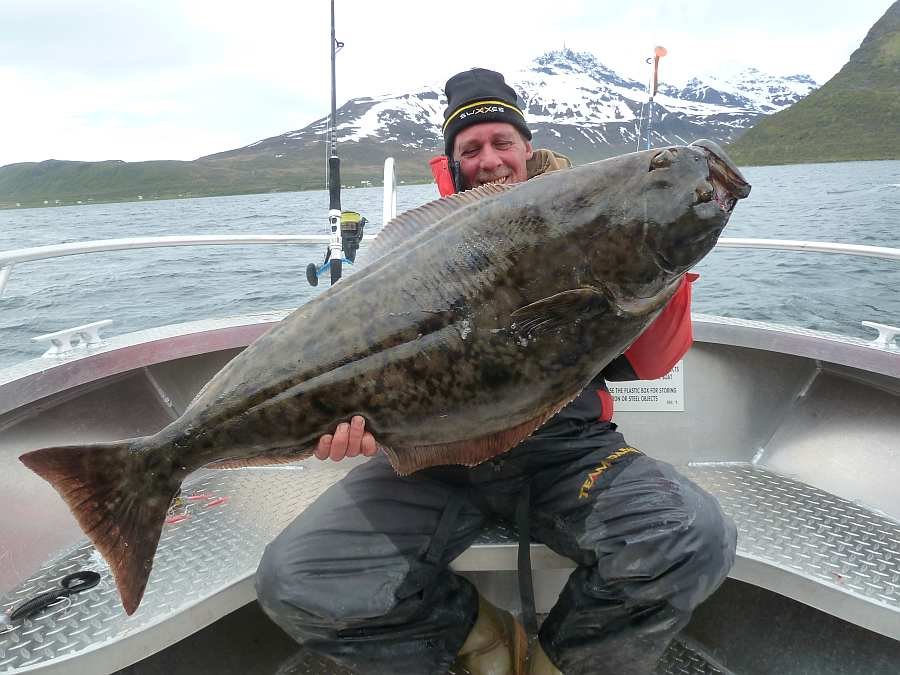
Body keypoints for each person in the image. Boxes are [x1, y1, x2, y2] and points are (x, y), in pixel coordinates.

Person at [256, 68, 737, 675]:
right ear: (453, 163)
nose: (489, 159)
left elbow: (653, 362)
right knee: (293, 579)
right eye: (471, 148)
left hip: (566, 453)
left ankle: (559, 666)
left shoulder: (585, 219)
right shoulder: (419, 252)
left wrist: (667, 273)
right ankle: (484, 641)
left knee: (693, 536)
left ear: (526, 148)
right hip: (432, 462)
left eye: (502, 142)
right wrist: (352, 425)